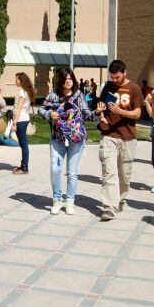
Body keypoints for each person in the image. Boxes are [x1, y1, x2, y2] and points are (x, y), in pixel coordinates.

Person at [39, 67, 98, 215]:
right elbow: (41, 110)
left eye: (70, 79)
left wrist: (97, 114)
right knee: (55, 169)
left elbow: (86, 114)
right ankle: (57, 200)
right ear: (60, 81)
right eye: (65, 79)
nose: (68, 82)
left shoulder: (79, 96)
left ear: (74, 80)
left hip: (76, 140)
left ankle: (70, 201)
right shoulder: (53, 96)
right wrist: (48, 114)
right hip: (57, 139)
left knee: (72, 172)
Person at [97, 60, 144, 221]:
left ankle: (121, 199)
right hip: (109, 135)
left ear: (125, 72)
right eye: (112, 77)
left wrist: (120, 112)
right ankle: (109, 207)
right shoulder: (108, 87)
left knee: (124, 175)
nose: (114, 80)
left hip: (128, 137)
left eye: (117, 77)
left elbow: (137, 113)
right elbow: (101, 105)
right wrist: (101, 115)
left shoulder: (135, 89)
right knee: (109, 173)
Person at [11, 72, 34, 174]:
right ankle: (23, 165)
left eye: (17, 80)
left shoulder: (22, 92)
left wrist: (14, 123)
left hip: (20, 120)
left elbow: (19, 109)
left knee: (23, 144)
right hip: (24, 119)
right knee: (23, 144)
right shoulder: (26, 91)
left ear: (21, 81)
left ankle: (24, 167)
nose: (15, 81)